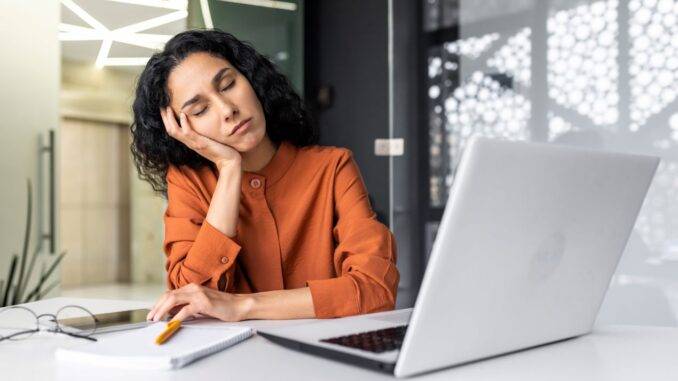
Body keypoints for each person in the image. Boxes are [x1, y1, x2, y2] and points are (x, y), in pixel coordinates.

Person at [130, 29, 399, 323]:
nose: (227, 109)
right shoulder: (188, 181)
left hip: (324, 357)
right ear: (182, 128)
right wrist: (229, 168)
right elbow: (193, 298)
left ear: (251, 80)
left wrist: (243, 306)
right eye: (200, 109)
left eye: (229, 84)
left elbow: (375, 289)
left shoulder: (333, 168)